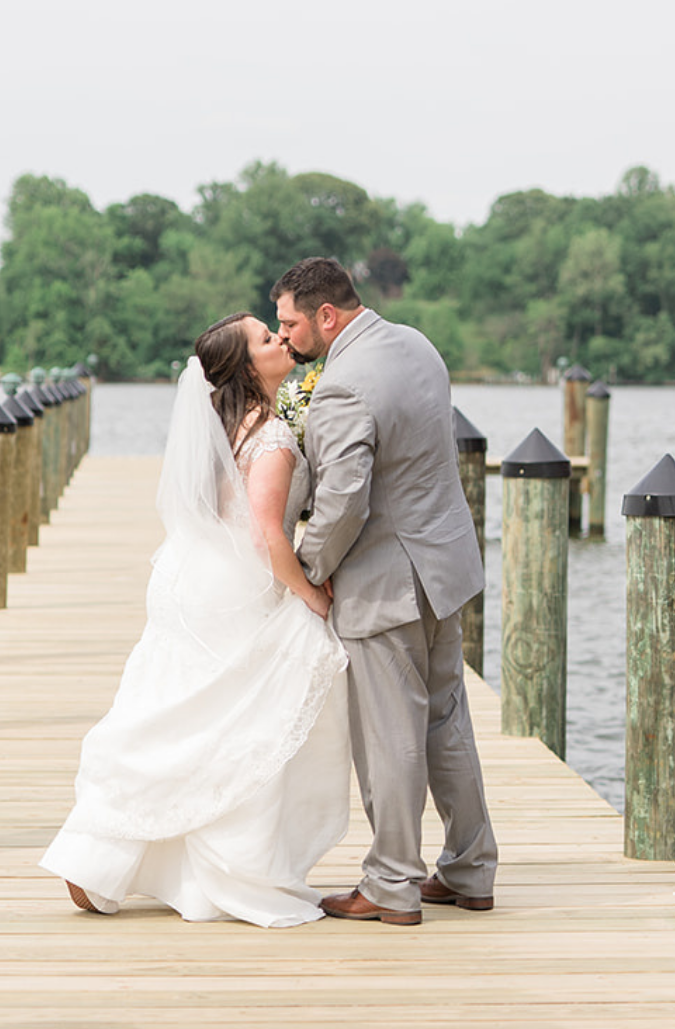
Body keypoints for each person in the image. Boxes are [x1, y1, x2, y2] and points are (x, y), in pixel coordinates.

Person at [39, 312, 350, 928]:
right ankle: (221, 868)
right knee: (234, 723)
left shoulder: (229, 426)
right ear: (246, 368)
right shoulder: (272, 439)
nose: (281, 340)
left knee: (179, 710)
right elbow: (266, 535)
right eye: (267, 339)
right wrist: (311, 595)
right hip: (236, 588)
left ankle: (105, 850)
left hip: (192, 576)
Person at [272, 256, 498, 926]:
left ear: (327, 316)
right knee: (445, 719)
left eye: (290, 324)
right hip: (445, 568)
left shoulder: (341, 385)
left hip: (386, 582)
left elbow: (343, 500)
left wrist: (307, 567)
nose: (285, 338)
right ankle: (470, 868)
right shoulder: (416, 345)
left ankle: (393, 883)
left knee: (389, 732)